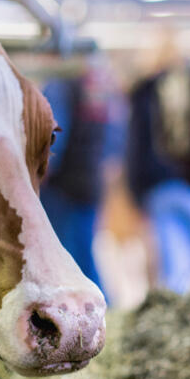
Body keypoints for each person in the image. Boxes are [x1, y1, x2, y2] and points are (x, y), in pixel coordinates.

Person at [127, 61, 190, 295]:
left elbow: (136, 147)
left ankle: (184, 308)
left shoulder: (146, 93)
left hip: (163, 185)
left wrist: (138, 193)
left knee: (175, 267)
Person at [40, 57, 126, 292]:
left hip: (63, 186)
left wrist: (39, 173)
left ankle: (99, 301)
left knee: (67, 256)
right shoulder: (101, 87)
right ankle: (103, 301)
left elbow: (54, 139)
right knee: (83, 251)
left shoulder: (60, 85)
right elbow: (114, 142)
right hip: (90, 182)